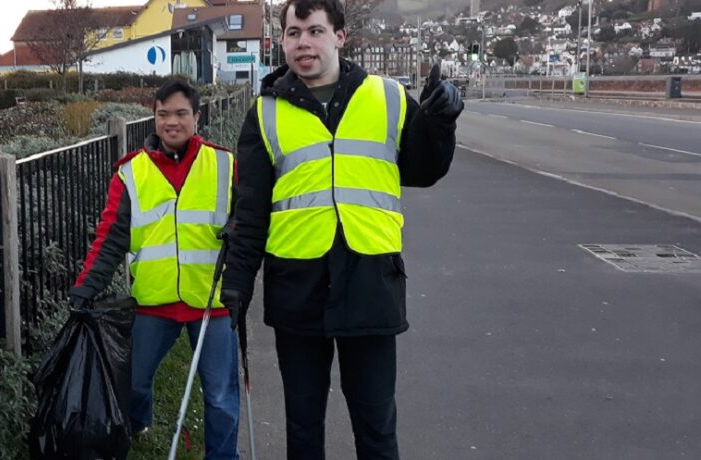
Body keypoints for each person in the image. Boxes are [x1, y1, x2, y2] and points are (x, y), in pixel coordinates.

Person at [220, 0, 463, 458]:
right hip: (298, 287)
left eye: (314, 31)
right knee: (304, 428)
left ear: (340, 37)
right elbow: (251, 210)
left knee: (375, 426)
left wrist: (441, 124)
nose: (302, 43)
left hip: (371, 281)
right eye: (293, 33)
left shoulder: (388, 97)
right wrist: (237, 283)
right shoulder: (266, 112)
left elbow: (424, 169)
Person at [69, 80, 241, 459]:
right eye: (163, 114)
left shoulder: (225, 164)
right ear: (154, 118)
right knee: (133, 385)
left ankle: (223, 456)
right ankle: (135, 428)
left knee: (220, 396)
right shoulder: (132, 172)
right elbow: (111, 237)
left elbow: (250, 215)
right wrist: (86, 286)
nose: (171, 122)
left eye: (181, 113)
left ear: (197, 117)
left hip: (211, 301)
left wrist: (239, 228)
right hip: (152, 301)